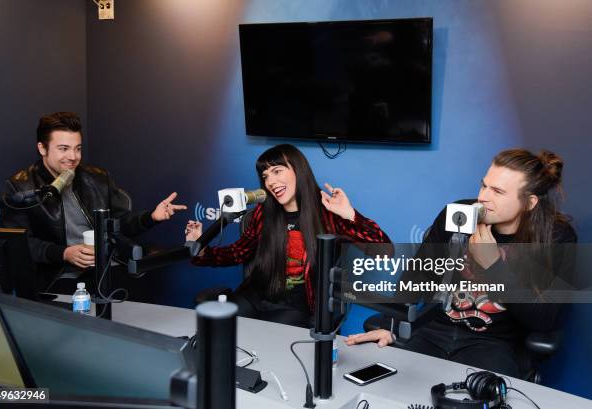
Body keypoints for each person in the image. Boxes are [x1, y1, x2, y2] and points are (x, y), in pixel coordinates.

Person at [346, 149, 577, 378]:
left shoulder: (555, 237)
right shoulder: (457, 215)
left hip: (495, 344)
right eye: (484, 185)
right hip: (433, 331)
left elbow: (544, 319)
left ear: (529, 202)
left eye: (497, 191)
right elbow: (417, 277)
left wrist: (493, 265)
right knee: (393, 384)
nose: (484, 197)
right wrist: (391, 324)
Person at [185, 144, 391, 327]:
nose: (271, 182)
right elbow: (238, 253)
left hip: (296, 307)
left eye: (277, 171)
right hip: (254, 296)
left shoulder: (328, 213)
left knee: (270, 349)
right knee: (219, 334)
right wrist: (202, 250)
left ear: (298, 171)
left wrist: (350, 215)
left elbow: (384, 251)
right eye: (265, 176)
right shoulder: (262, 212)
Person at [1, 112, 187, 290]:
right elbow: (19, 243)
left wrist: (151, 217)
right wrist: (64, 253)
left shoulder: (97, 178)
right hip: (59, 275)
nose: (73, 157)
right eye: (63, 149)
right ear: (42, 148)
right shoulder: (20, 187)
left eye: (78, 148)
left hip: (108, 267)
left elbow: (119, 224)